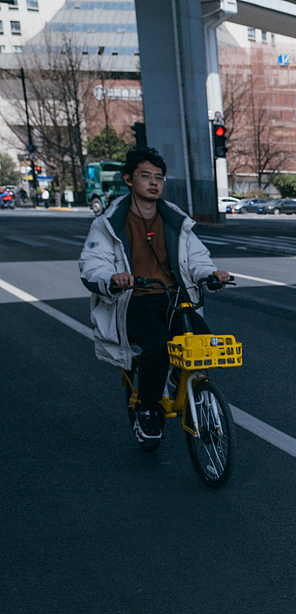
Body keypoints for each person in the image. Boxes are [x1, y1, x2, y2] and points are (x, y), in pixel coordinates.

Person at [78, 147, 232, 446]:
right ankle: (147, 409)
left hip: (175, 299)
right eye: (145, 176)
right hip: (134, 301)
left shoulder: (175, 220)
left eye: (158, 177)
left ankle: (179, 381)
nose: (153, 182)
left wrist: (211, 275)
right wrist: (112, 278)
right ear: (128, 179)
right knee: (158, 346)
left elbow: (197, 258)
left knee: (206, 343)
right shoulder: (108, 224)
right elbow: (91, 265)